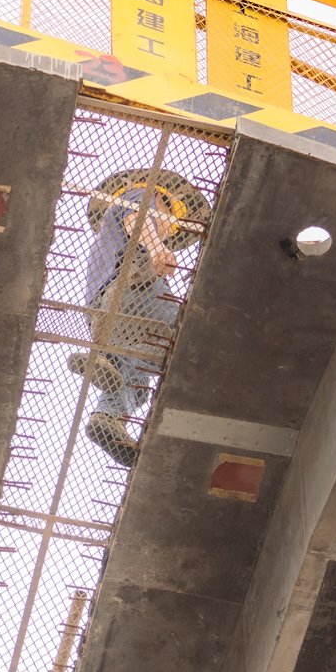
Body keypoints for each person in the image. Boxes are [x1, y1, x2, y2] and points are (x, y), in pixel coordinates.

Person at [71, 171, 207, 468]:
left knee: (137, 380)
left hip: (103, 318)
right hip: (135, 288)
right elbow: (139, 219)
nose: (172, 229)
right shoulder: (144, 197)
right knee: (190, 339)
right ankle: (106, 362)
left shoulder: (102, 245)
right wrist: (157, 249)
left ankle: (107, 416)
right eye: (174, 221)